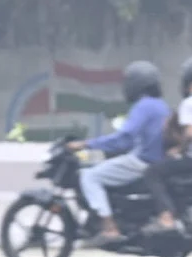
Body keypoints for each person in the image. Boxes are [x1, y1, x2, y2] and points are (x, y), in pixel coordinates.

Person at [67, 60, 170, 244]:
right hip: (154, 160)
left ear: (137, 83)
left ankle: (109, 227)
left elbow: (124, 138)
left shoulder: (144, 106)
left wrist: (87, 144)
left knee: (90, 176)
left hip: (142, 161)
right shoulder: (160, 105)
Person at [143, 54, 192, 234]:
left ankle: (166, 217)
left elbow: (191, 133)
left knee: (152, 172)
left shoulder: (191, 103)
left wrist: (179, 149)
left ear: (189, 80)